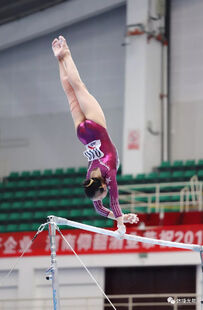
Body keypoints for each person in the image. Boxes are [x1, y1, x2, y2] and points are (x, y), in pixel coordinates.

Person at [52, 35, 139, 235]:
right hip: (82, 133)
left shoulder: (109, 174)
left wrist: (121, 225)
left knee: (79, 87)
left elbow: (113, 201)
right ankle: (59, 58)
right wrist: (122, 217)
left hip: (96, 126)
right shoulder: (90, 178)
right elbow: (99, 208)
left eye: (101, 196)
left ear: (102, 187)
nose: (102, 199)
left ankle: (66, 54)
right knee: (71, 93)